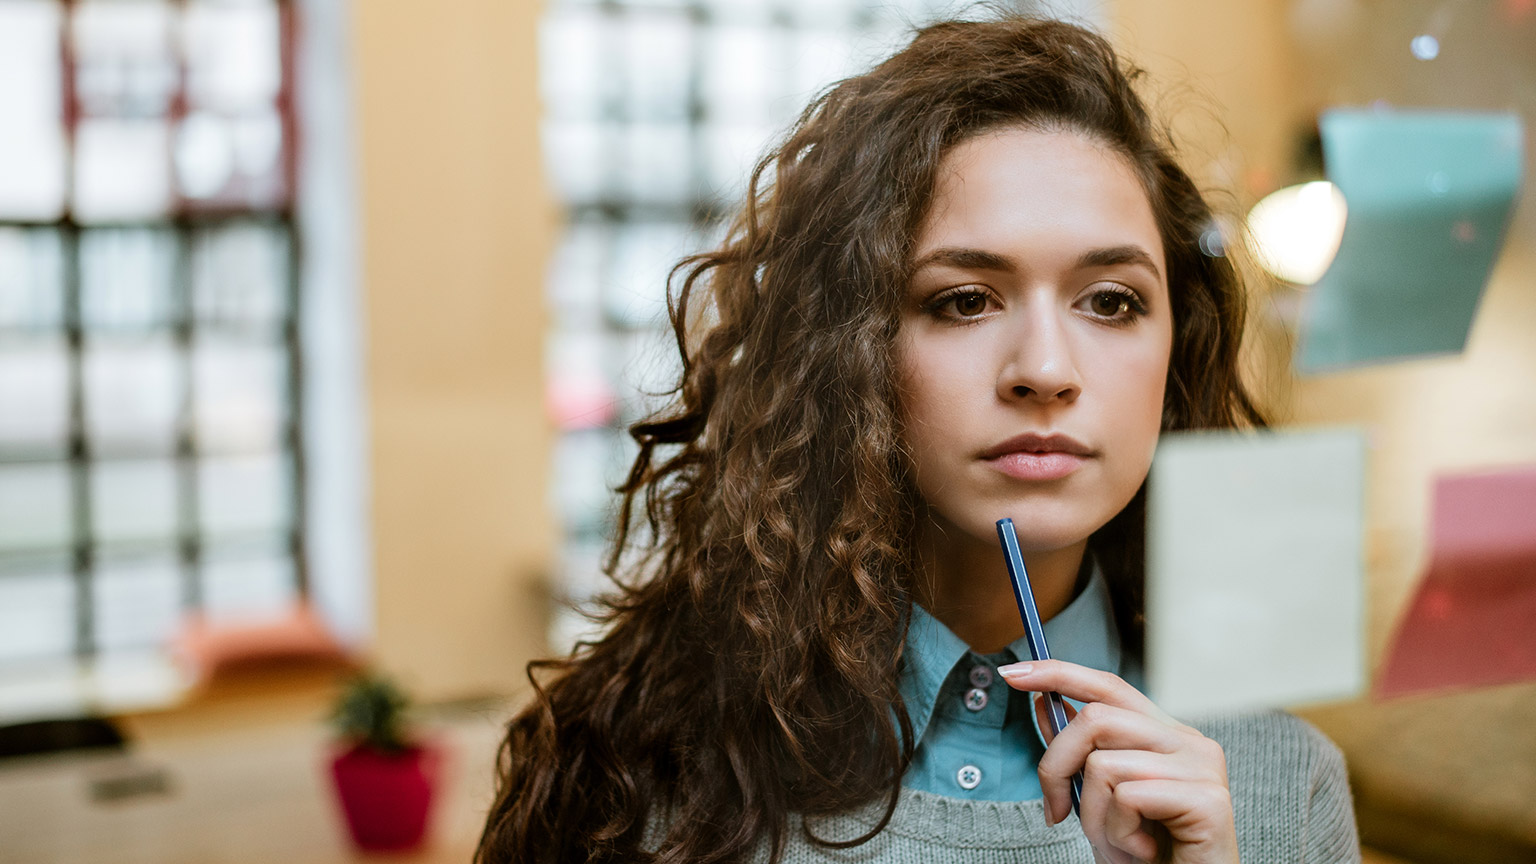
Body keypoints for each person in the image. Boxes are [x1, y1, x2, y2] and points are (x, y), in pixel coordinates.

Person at [477, 15, 1361, 864]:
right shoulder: (647, 774)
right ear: (851, 353)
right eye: (964, 300)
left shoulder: (1281, 789)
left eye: (1110, 301)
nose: (1046, 370)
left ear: (1176, 353)